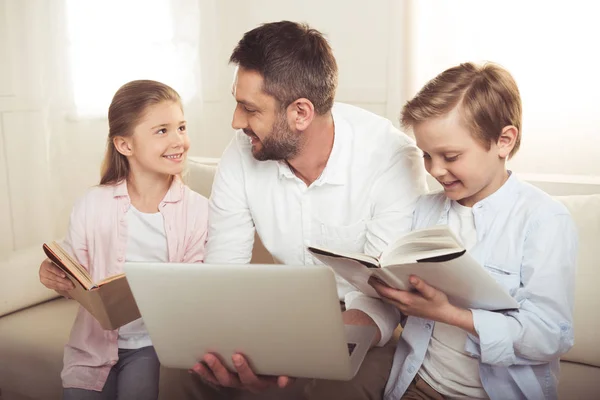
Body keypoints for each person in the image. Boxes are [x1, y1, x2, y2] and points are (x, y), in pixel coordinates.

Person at [161, 21, 428, 400]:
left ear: (301, 112)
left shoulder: (391, 160)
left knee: (338, 389)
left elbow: (382, 295)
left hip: (361, 316)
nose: (236, 122)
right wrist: (230, 341)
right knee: (184, 371)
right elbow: (225, 273)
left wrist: (296, 354)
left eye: (249, 109)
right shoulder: (241, 152)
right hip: (283, 311)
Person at [370, 62, 577, 400]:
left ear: (503, 141)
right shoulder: (425, 209)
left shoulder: (544, 220)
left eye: (450, 156)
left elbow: (550, 336)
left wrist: (452, 315)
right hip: (417, 384)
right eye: (426, 155)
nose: (436, 170)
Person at [38, 80, 209, 400]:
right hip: (90, 348)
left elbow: (196, 289)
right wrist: (53, 275)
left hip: (152, 345)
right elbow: (75, 270)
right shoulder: (92, 204)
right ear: (124, 145)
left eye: (182, 127)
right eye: (162, 130)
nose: (179, 141)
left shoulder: (199, 211)